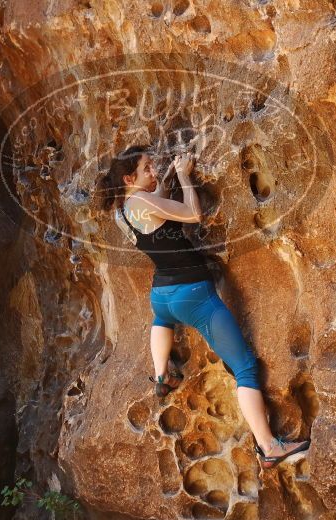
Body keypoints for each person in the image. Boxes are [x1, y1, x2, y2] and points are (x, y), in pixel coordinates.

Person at [102, 144, 310, 469]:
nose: (153, 172)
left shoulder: (123, 210)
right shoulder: (142, 200)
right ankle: (269, 446)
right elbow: (191, 214)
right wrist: (185, 178)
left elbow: (156, 210)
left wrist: (167, 178)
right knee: (245, 368)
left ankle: (161, 375)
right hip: (194, 293)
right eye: (146, 169)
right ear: (129, 177)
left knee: (161, 319)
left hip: (164, 294)